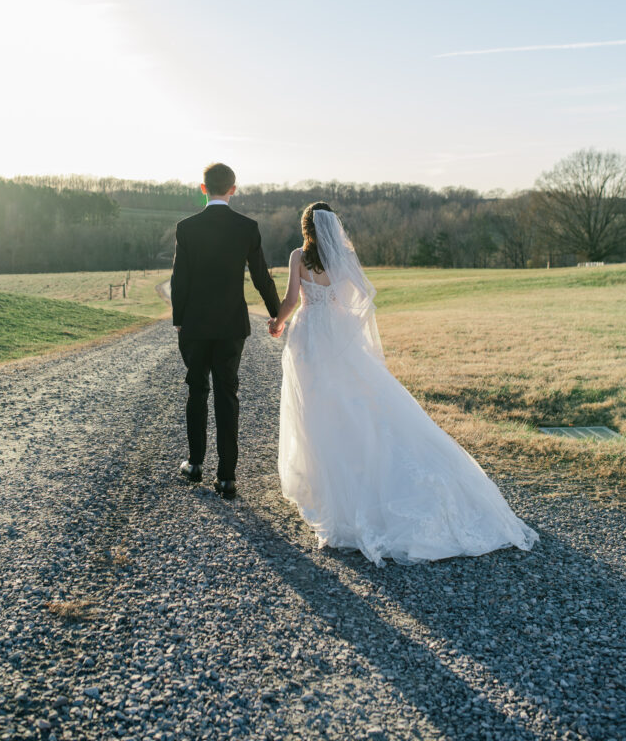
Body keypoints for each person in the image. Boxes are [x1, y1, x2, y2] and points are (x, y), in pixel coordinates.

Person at [268, 202, 539, 566]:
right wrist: (341, 315)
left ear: (306, 229)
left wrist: (278, 323)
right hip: (335, 337)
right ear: (334, 228)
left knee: (317, 408)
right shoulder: (344, 257)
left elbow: (289, 300)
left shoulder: (299, 256)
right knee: (354, 404)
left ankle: (328, 485)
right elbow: (363, 297)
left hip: (308, 339)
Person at [171, 162, 281, 498]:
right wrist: (278, 315)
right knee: (227, 395)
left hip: (195, 324)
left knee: (196, 390)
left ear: (202, 188)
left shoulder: (186, 227)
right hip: (232, 324)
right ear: (233, 189)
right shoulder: (246, 227)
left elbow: (180, 278)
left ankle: (194, 464)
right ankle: (227, 477)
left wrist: (179, 318)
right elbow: (261, 275)